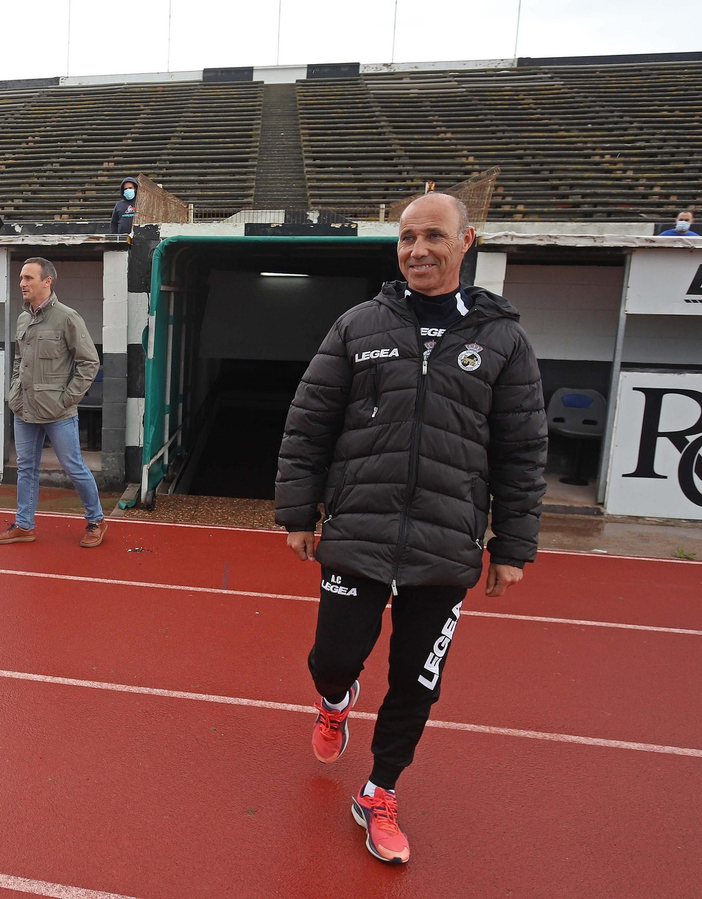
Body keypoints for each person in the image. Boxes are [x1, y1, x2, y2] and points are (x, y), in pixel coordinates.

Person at [275, 192, 546, 866]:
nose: (418, 250)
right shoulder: (358, 325)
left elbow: (522, 450)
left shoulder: (504, 341)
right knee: (332, 658)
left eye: (433, 236)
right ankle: (335, 699)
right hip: (359, 530)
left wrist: (512, 544)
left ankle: (380, 790)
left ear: (466, 241)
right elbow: (309, 424)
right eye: (406, 238)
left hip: (446, 542)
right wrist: (298, 512)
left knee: (417, 680)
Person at [0, 258, 105, 548]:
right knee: (26, 468)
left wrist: (67, 399)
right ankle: (24, 525)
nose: (22, 283)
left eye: (28, 278)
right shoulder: (23, 319)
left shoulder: (67, 317)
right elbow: (19, 360)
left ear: (47, 281)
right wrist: (15, 391)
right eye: (21, 278)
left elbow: (89, 363)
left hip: (58, 412)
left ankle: (96, 521)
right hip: (24, 409)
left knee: (73, 466)